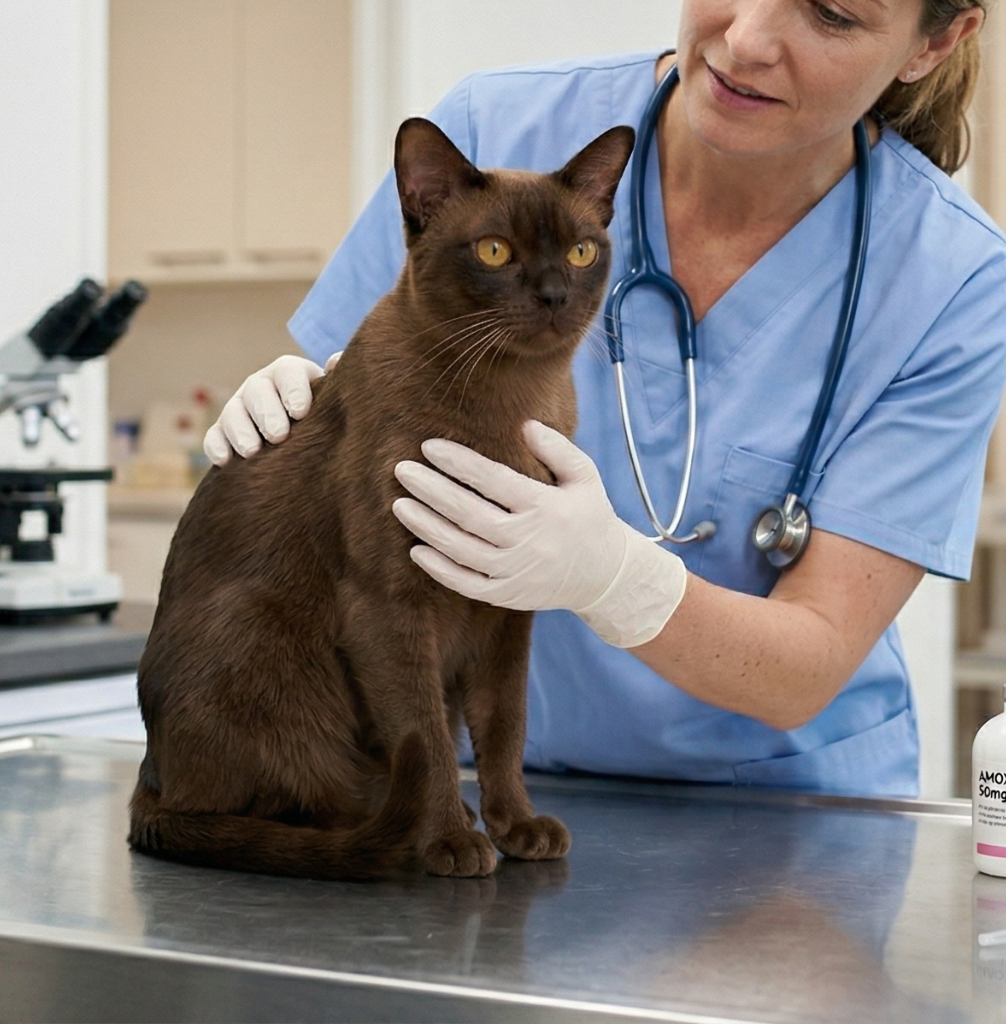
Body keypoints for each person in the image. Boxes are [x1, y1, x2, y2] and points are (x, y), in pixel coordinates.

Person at [202, 0, 1004, 797]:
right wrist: (287, 428)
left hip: (776, 825)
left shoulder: (953, 282)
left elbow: (809, 661)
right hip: (479, 786)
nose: (748, 39)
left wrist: (616, 581)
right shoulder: (493, 129)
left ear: (935, 42)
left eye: (830, 14)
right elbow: (348, 494)